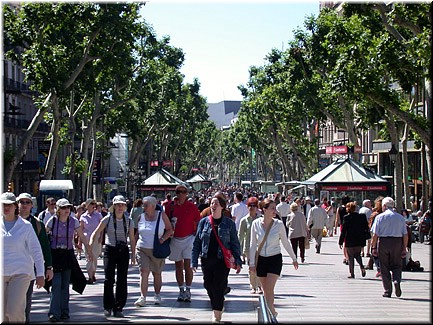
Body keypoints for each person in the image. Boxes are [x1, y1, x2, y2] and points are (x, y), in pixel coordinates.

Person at [192, 194, 242, 323]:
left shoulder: (229, 223)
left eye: (216, 203)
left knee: (218, 286)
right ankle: (218, 304)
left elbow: (235, 243)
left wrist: (238, 260)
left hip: (222, 261)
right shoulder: (203, 222)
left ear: (222, 207)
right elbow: (197, 242)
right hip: (206, 259)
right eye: (211, 203)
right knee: (208, 285)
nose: (213, 206)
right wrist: (193, 261)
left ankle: (217, 313)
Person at [249, 198, 299, 320]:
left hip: (275, 259)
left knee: (269, 288)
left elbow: (286, 242)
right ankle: (271, 312)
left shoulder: (279, 224)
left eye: (275, 208)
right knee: (266, 290)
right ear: (264, 210)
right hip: (261, 259)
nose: (274, 211)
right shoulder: (256, 224)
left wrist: (294, 258)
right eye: (272, 208)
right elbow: (252, 244)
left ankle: (270, 314)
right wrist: (251, 263)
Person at [89, 195, 136, 318]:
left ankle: (119, 307)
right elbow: (96, 232)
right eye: (118, 205)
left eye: (122, 205)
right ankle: (108, 306)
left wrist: (133, 255)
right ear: (113, 206)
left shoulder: (129, 220)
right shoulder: (107, 219)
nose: (120, 207)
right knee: (108, 279)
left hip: (123, 250)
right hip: (110, 250)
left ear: (125, 207)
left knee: (122, 279)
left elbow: (132, 238)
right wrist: (90, 246)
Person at [2, 192, 45, 323]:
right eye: (3, 205)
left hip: (21, 273)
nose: (6, 208)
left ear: (15, 207)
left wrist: (41, 273)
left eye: (9, 205)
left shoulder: (25, 226)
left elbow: (36, 250)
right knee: (2, 314)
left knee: (14, 311)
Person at [45, 198, 91, 322]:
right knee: (56, 285)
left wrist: (89, 250)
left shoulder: (73, 221)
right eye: (64, 208)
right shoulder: (52, 221)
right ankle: (54, 313)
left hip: (68, 255)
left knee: (65, 285)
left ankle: (65, 312)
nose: (67, 210)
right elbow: (44, 236)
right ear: (58, 210)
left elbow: (81, 235)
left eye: (68, 208)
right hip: (55, 255)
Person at [16, 192, 54, 323]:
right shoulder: (7, 221)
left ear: (32, 205)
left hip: (28, 269)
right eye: (21, 202)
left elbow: (44, 247)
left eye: (27, 202)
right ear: (17, 204)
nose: (24, 205)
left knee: (25, 301)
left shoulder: (37, 224)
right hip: (8, 268)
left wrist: (48, 268)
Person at [134, 196, 173, 307]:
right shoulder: (140, 217)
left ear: (153, 206)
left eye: (146, 205)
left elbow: (170, 229)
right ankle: (143, 297)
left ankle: (157, 294)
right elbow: (137, 233)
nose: (143, 207)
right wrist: (133, 248)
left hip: (157, 249)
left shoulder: (162, 216)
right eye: (143, 205)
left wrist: (162, 239)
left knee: (157, 273)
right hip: (142, 248)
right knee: (143, 271)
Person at [168, 184, 201, 302]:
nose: (181, 194)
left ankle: (188, 290)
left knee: (188, 266)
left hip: (189, 239)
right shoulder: (170, 207)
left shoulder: (192, 207)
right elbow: (165, 220)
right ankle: (181, 290)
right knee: (178, 266)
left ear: (186, 194)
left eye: (183, 192)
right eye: (178, 192)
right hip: (175, 239)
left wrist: (197, 236)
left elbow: (198, 221)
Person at [370, 197, 408, 298]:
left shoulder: (380, 217)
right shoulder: (400, 217)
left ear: (384, 206)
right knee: (397, 265)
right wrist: (404, 248)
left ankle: (387, 290)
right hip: (397, 242)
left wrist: (373, 247)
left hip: (383, 242)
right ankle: (396, 280)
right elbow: (405, 234)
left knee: (384, 266)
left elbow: (375, 234)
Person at [338, 201, 369, 278]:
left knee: (350, 257)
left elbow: (343, 231)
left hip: (349, 240)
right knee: (358, 255)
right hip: (359, 240)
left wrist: (340, 242)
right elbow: (365, 228)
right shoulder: (361, 217)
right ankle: (361, 266)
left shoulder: (346, 218)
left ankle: (352, 273)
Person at [238, 196, 262, 294]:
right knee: (251, 267)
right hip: (248, 247)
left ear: (257, 207)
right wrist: (237, 250)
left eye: (254, 205)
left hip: (260, 246)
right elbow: (240, 235)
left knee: (259, 267)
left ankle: (260, 286)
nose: (251, 207)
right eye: (250, 205)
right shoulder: (244, 220)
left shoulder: (261, 219)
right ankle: (253, 286)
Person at [79, 198, 103, 284]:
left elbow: (102, 227)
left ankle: (93, 273)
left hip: (96, 239)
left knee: (94, 257)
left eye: (93, 204)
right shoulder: (83, 216)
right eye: (90, 204)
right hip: (86, 239)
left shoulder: (98, 215)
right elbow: (80, 230)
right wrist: (79, 242)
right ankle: (90, 277)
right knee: (88, 257)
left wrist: (101, 237)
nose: (92, 206)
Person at [334, 195, 351, 264]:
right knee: (348, 241)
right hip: (350, 225)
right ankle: (348, 257)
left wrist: (335, 228)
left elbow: (337, 219)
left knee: (344, 242)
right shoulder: (350, 208)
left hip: (342, 225)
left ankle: (345, 257)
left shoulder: (339, 208)